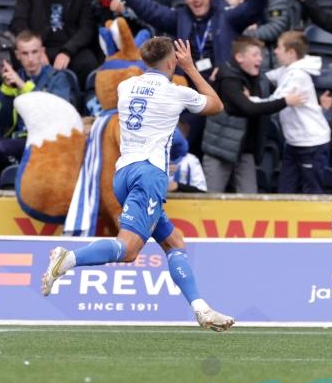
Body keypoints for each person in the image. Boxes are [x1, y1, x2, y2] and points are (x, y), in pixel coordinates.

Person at [41, 37, 235, 332]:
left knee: (174, 242)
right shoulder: (176, 92)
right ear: (172, 62)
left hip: (124, 173)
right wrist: (191, 69)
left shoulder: (125, 86)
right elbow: (217, 105)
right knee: (129, 250)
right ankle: (67, 259)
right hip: (150, 174)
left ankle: (201, 309)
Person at [115, 0, 269, 156]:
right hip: (189, 85)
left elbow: (252, 9)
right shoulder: (180, 17)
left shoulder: (226, 16)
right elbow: (149, 10)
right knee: (186, 125)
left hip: (222, 87)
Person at [201, 36, 304, 193]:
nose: (260, 59)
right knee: (211, 198)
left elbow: (282, 82)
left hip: (245, 150)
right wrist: (285, 102)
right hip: (220, 150)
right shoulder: (228, 77)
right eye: (255, 55)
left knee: (250, 198)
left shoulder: (260, 77)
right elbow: (248, 107)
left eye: (261, 55)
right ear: (239, 57)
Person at [0, 29, 72, 173]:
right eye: (25, 53)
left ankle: (9, 182)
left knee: (2, 149)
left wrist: (22, 85)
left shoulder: (57, 78)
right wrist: (7, 90)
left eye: (35, 52)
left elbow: (57, 113)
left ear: (42, 52)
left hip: (44, 141)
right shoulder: (14, 78)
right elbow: (1, 120)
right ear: (17, 55)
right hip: (14, 140)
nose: (31, 58)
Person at [9, 0, 99, 88]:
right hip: (39, 47)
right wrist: (36, 49)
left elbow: (88, 28)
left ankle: (80, 106)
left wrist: (67, 51)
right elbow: (19, 22)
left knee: (87, 62)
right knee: (18, 56)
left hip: (72, 48)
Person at [265, 31, 331, 194]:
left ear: (291, 53)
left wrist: (248, 100)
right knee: (285, 191)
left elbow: (275, 102)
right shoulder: (286, 70)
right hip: (293, 143)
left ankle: (316, 221)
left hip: (311, 144)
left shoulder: (297, 75)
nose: (275, 51)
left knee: (312, 192)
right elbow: (265, 75)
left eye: (279, 47)